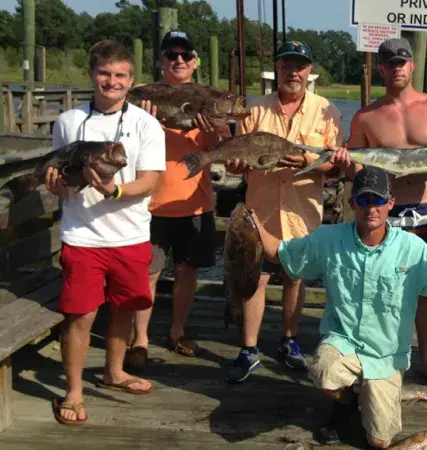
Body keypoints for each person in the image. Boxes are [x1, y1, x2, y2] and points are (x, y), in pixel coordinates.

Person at [246, 165, 427, 448]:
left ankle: (369, 395)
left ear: (390, 203)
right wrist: (251, 221)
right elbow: (281, 253)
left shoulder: (412, 247)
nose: (372, 208)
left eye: (379, 200)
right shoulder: (329, 238)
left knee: (379, 442)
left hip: (386, 356)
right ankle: (346, 402)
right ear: (352, 203)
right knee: (322, 370)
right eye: (364, 200)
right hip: (344, 342)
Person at [343, 37, 427, 392]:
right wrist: (346, 164)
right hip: (383, 214)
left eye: (403, 60)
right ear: (380, 69)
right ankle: (375, 355)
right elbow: (356, 166)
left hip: (425, 214)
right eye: (390, 62)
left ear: (412, 65)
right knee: (373, 288)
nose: (397, 66)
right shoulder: (366, 116)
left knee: (424, 290)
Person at [45, 40, 166, 425]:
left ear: (131, 80)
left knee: (124, 310)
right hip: (82, 236)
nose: (111, 81)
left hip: (130, 235)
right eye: (104, 73)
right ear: (92, 75)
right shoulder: (67, 121)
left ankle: (114, 372)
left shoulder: (146, 124)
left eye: (119, 75)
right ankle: (74, 391)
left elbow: (149, 181)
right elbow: (62, 174)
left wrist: (114, 190)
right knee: (80, 316)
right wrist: (55, 185)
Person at [223, 41, 343, 382]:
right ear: (277, 69)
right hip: (259, 210)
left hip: (302, 211)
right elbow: (238, 163)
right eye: (287, 65)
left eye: (300, 66)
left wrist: (306, 161)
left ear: (309, 71)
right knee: (253, 278)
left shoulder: (328, 111)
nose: (293, 71)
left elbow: (335, 167)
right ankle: (248, 348)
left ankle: (289, 341)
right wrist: (234, 163)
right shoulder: (254, 109)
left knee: (295, 277)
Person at [125, 30, 231, 369]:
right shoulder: (143, 95)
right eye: (172, 55)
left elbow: (225, 152)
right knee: (149, 272)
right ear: (161, 61)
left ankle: (176, 330)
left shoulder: (208, 99)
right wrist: (144, 118)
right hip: (147, 202)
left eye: (186, 55)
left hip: (194, 202)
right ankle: (139, 339)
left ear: (196, 61)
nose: (179, 61)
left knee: (187, 271)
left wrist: (211, 127)